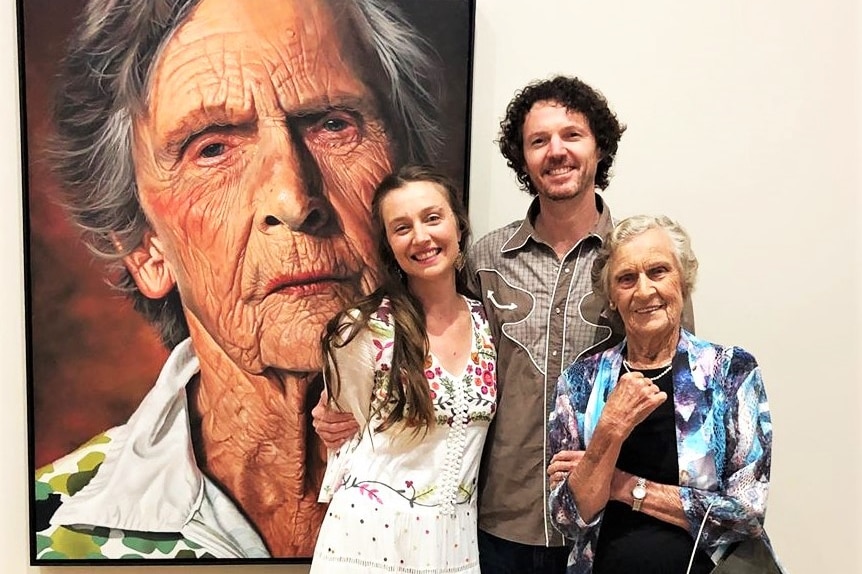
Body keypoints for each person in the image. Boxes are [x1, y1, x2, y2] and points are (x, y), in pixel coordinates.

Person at [33, 0, 445, 560]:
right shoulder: (53, 531)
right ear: (145, 247)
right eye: (213, 148)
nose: (295, 199)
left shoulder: (482, 467)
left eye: (332, 124)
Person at [314, 75, 693, 572]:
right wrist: (335, 414)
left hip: (601, 526)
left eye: (571, 135)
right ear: (523, 158)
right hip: (489, 528)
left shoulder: (635, 263)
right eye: (538, 141)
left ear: (600, 146)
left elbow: (682, 386)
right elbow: (431, 345)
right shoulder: (485, 259)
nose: (556, 151)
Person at [547, 215, 780, 573]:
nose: (643, 291)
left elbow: (745, 512)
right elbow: (567, 518)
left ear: (683, 282)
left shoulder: (730, 371)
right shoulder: (581, 382)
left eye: (657, 271)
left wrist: (623, 486)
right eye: (626, 278)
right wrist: (609, 429)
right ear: (611, 296)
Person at [309, 165, 496, 573]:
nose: (422, 237)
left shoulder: (488, 324)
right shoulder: (362, 329)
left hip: (455, 548)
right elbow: (342, 435)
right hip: (366, 546)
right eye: (402, 227)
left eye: (433, 218)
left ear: (459, 226)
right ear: (389, 245)